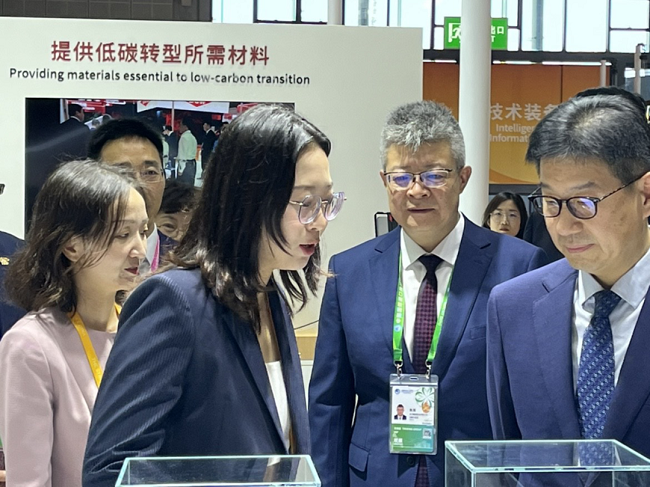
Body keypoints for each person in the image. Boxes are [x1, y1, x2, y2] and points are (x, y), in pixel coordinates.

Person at [82, 105, 345, 486]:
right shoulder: (174, 301)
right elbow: (110, 470)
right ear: (250, 197)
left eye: (327, 202)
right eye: (304, 203)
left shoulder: (272, 299)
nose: (319, 221)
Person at [309, 100, 546, 487]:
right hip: (374, 477)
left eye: (435, 175)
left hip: (474, 476)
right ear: (385, 181)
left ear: (463, 178)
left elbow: (533, 400)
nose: (416, 191)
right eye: (401, 177)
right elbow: (329, 403)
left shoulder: (517, 267)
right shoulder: (349, 271)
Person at [487, 91, 650, 463]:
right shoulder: (513, 306)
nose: (563, 226)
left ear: (645, 195)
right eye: (550, 202)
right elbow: (509, 455)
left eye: (584, 203)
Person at [0, 160, 147, 487]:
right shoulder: (30, 346)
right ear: (72, 246)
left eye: (143, 231)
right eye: (123, 234)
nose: (139, 249)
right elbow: (29, 481)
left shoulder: (145, 332)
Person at [88, 118, 175, 273]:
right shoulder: (78, 260)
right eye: (122, 173)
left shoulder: (185, 262)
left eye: (150, 173)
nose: (138, 185)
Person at [176, 117, 198, 185]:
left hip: (185, 166)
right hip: (192, 164)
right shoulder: (193, 137)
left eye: (180, 125)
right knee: (190, 187)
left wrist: (180, 169)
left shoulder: (183, 137)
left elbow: (182, 155)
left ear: (185, 127)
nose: (179, 127)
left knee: (182, 187)